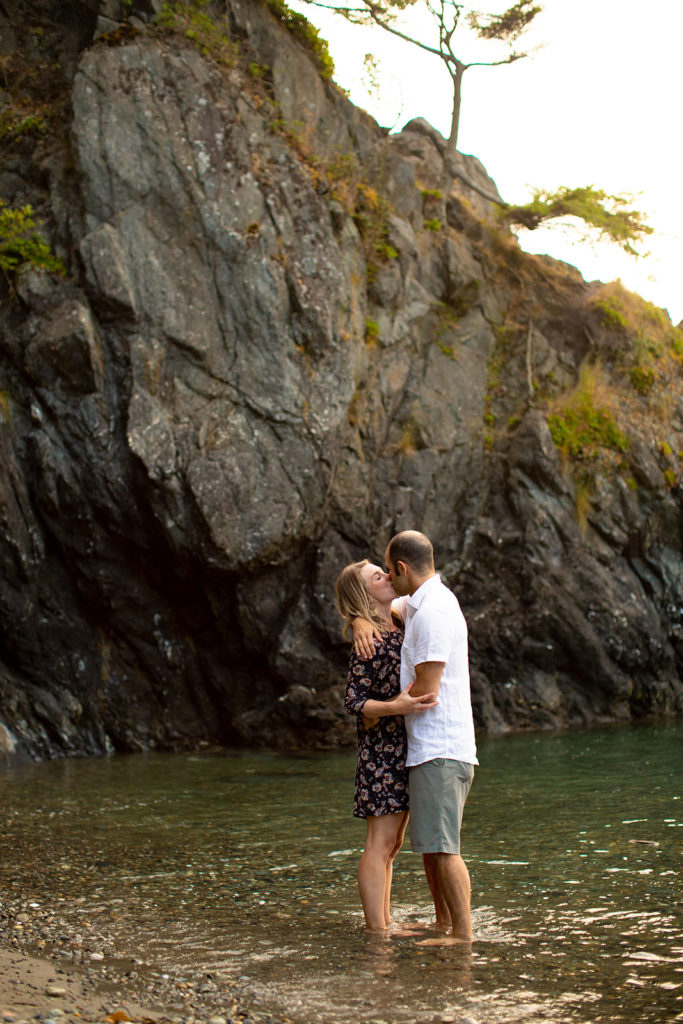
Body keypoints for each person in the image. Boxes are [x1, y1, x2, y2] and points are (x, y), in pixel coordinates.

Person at [355, 531, 478, 945]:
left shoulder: (431, 613)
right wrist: (356, 616)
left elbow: (425, 691)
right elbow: (373, 602)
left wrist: (389, 706)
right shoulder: (422, 603)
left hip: (440, 746)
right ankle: (444, 923)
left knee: (443, 848)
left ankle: (461, 935)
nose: (388, 577)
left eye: (389, 570)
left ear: (403, 569)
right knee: (431, 847)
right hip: (423, 749)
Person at [335, 559, 437, 933]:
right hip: (380, 753)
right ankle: (377, 932)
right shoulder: (367, 639)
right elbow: (354, 701)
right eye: (376, 576)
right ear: (364, 592)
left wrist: (360, 616)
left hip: (404, 748)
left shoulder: (397, 621)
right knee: (379, 844)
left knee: (392, 845)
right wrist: (395, 706)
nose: (386, 576)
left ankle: (386, 922)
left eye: (384, 570)